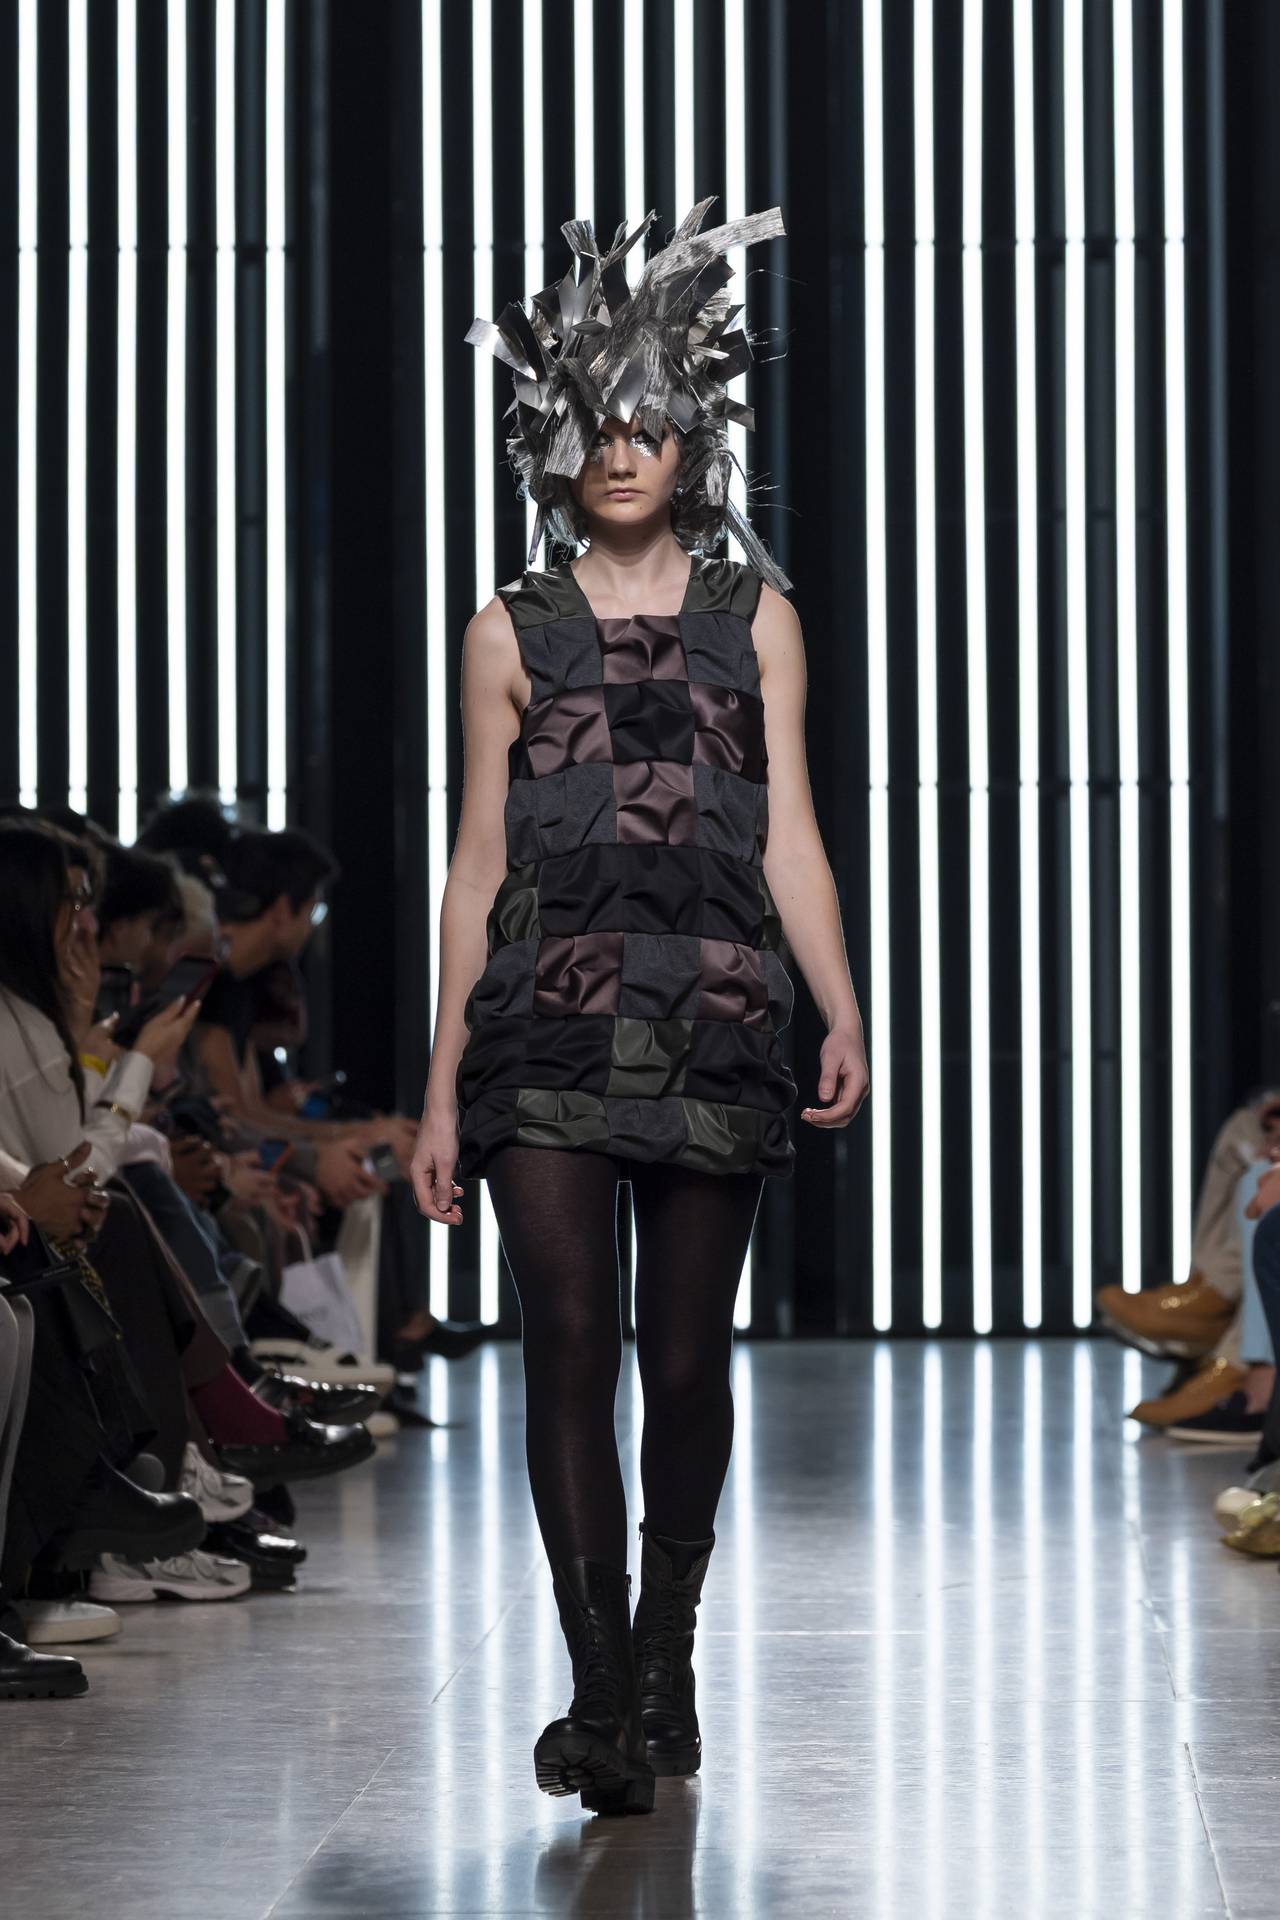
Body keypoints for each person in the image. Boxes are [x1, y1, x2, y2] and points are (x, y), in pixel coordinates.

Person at [412, 200, 869, 1814]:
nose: (622, 450)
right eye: (597, 424)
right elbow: (476, 863)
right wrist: (442, 1085)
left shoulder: (759, 621)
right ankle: (600, 1690)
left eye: (649, 422)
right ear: (556, 442)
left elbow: (789, 830)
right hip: (541, 1024)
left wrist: (841, 1008)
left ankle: (665, 1657)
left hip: (721, 1013)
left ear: (690, 441)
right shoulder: (508, 630)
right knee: (570, 1350)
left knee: (683, 1361)